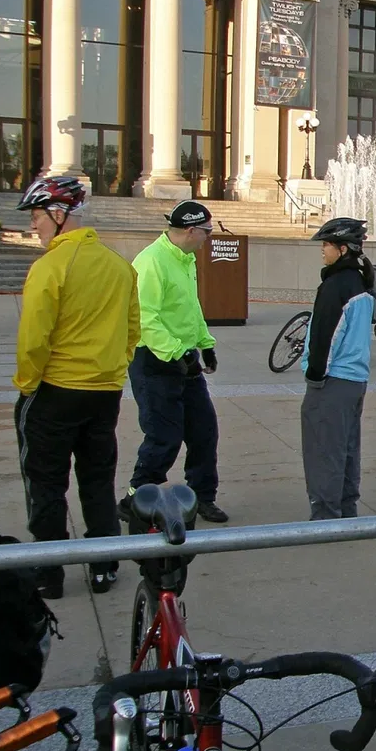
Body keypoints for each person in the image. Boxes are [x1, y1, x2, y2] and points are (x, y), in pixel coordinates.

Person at [12, 177, 139, 598]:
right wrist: (112, 370)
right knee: (98, 479)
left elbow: (34, 338)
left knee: (45, 482)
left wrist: (28, 385)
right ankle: (104, 566)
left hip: (56, 390)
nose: (34, 225)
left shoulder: (50, 267)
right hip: (104, 393)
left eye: (37, 216)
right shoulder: (119, 266)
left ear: (59, 214)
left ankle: (49, 573)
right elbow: (132, 330)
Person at [127, 199, 227, 523]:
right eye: (206, 231)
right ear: (190, 230)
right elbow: (145, 318)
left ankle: (202, 497)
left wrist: (205, 344)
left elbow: (190, 308)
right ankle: (135, 498)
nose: (208, 238)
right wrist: (177, 353)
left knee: (204, 431)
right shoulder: (152, 261)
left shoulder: (185, 259)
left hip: (184, 360)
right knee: (164, 437)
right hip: (154, 362)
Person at [300, 218, 375, 519]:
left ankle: (326, 516)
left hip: (334, 379)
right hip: (355, 379)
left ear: (343, 249)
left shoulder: (336, 286)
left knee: (323, 450)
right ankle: (346, 508)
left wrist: (315, 373)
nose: (323, 250)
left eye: (327, 245)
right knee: (346, 448)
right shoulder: (360, 281)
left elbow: (326, 335)